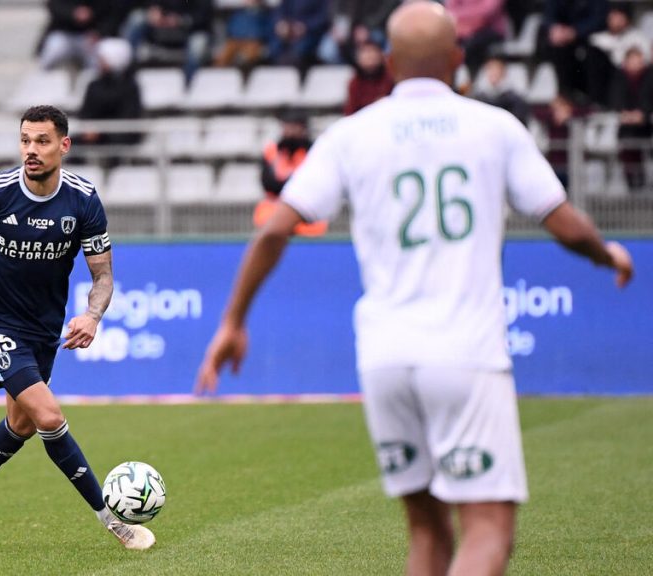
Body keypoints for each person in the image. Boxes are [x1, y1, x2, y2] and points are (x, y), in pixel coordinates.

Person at [196, 4, 634, 576]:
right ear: (457, 57)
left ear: (390, 62)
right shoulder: (494, 127)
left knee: (428, 534)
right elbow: (563, 222)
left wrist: (233, 321)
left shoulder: (351, 134)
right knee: (488, 531)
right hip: (465, 353)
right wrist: (607, 254)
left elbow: (275, 229)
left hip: (384, 358)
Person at [0, 105, 156, 551]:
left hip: (43, 328)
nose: (31, 150)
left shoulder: (83, 200)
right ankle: (113, 522)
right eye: (25, 140)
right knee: (49, 416)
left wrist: (92, 316)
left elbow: (103, 276)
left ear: (63, 145)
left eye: (42, 141)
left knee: (23, 424)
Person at [255, 112, 326, 236]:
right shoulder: (272, 150)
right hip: (276, 207)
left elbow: (314, 184)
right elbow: (268, 184)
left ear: (303, 128)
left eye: (294, 127)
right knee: (267, 218)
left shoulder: (314, 151)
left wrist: (285, 182)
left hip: (305, 208)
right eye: (287, 126)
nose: (290, 131)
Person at [76, 38, 143, 155]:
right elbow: (85, 113)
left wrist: (102, 132)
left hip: (120, 136)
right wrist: (89, 129)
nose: (99, 62)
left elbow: (129, 118)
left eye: (102, 59)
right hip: (94, 136)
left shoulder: (130, 87)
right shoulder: (94, 85)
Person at [540, 0, 608, 103]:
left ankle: (594, 101)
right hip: (563, 40)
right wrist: (555, 28)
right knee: (557, 50)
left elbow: (599, 19)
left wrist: (576, 31)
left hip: (591, 39)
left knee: (593, 57)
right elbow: (548, 15)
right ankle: (565, 98)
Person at [587, 3, 650, 107]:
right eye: (613, 17)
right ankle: (597, 103)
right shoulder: (598, 38)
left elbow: (646, 61)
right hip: (608, 80)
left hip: (633, 79)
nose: (615, 21)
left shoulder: (638, 38)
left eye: (619, 17)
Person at [608, 46, 653, 190]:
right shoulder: (619, 76)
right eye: (633, 60)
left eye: (638, 61)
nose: (636, 64)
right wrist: (625, 113)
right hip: (626, 128)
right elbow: (616, 97)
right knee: (628, 157)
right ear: (626, 61)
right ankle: (633, 187)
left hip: (646, 128)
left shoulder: (649, 75)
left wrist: (643, 113)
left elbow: (649, 97)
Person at [446, 0, 508, 78]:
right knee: (446, 46)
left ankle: (470, 79)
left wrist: (466, 23)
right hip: (462, 31)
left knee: (468, 48)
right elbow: (450, 11)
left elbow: (487, 11)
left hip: (490, 30)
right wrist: (465, 24)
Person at [212, 0, 272, 71]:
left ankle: (244, 71)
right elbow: (231, 28)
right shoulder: (238, 12)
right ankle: (218, 73)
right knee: (223, 56)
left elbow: (266, 30)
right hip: (235, 40)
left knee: (249, 56)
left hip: (253, 41)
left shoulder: (263, 13)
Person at [268, 0, 330, 68]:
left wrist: (305, 27)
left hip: (311, 33)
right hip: (288, 32)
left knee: (300, 49)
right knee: (274, 47)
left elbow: (324, 17)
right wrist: (281, 24)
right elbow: (279, 11)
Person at [471, 54, 530, 125]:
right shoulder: (479, 98)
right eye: (490, 69)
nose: (493, 73)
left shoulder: (514, 100)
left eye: (496, 69)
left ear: (503, 72)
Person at [343, 39, 393, 116]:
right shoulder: (355, 84)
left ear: (381, 55)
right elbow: (350, 112)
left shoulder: (390, 79)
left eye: (372, 52)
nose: (370, 56)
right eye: (365, 53)